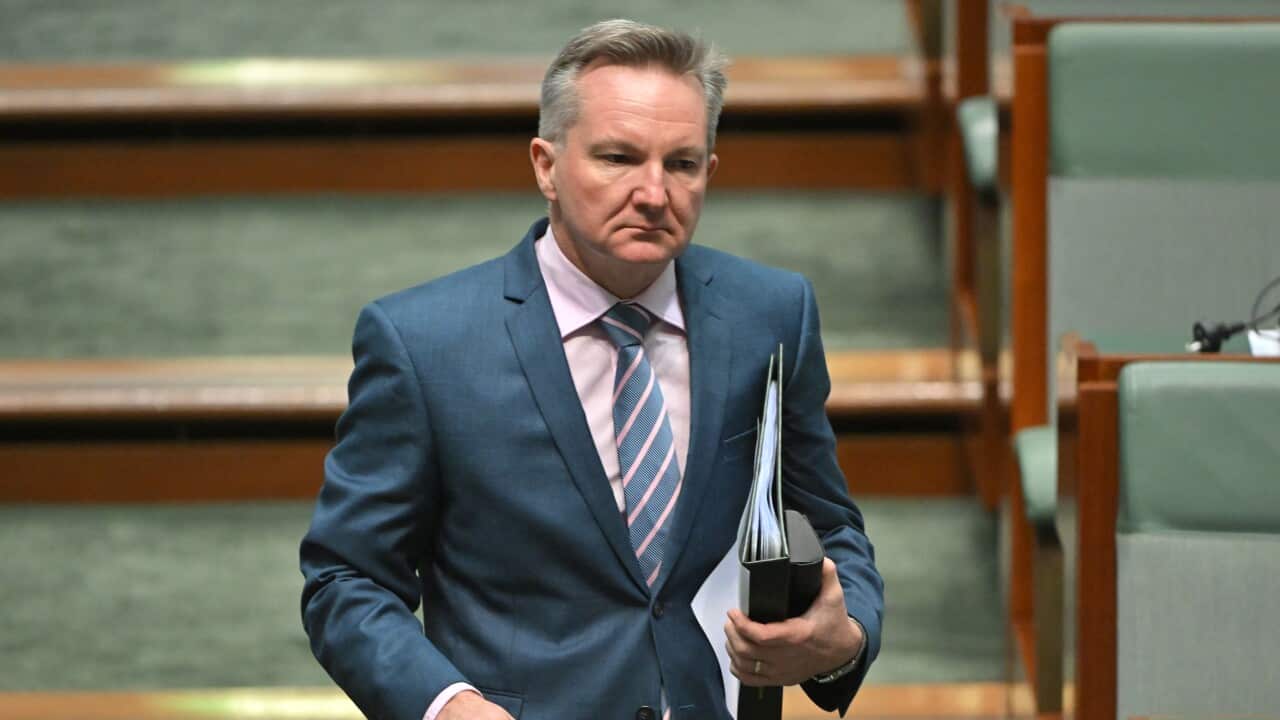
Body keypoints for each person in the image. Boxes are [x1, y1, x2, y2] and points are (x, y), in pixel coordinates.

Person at [300, 19, 883, 720]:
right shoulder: (424, 344)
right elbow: (346, 577)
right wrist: (448, 706)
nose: (654, 193)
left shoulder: (771, 314)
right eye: (617, 158)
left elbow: (830, 524)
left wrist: (844, 636)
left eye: (682, 164)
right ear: (546, 164)